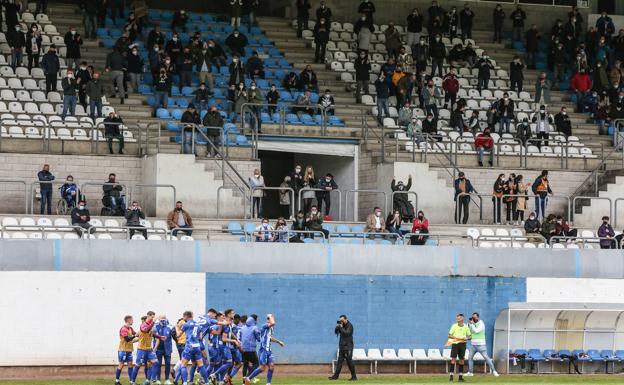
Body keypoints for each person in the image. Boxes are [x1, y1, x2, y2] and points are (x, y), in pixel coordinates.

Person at [243, 314, 285, 385]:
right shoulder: (264, 326)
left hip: (269, 350)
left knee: (271, 366)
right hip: (263, 350)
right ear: (268, 319)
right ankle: (248, 378)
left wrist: (278, 342)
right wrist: (270, 316)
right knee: (262, 368)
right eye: (271, 318)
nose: (273, 319)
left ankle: (268, 383)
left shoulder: (270, 328)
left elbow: (269, 338)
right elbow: (273, 323)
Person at [176, 312, 211, 385]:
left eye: (183, 317)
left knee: (183, 365)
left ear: (186, 316)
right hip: (197, 346)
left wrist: (176, 328)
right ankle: (207, 382)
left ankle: (185, 382)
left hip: (189, 347)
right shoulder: (198, 324)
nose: (183, 318)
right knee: (201, 365)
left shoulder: (186, 324)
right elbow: (200, 337)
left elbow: (178, 335)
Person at [465, 313, 499, 377]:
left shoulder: (481, 323)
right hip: (473, 345)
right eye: (472, 317)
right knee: (470, 358)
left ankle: (494, 371)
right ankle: (470, 372)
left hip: (481, 345)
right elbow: (468, 331)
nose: (473, 319)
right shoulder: (471, 324)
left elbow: (476, 331)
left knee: (486, 358)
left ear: (478, 317)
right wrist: (468, 325)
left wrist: (471, 324)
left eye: (475, 317)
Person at [329, 315, 357, 381]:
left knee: (349, 362)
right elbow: (336, 332)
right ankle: (335, 376)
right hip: (342, 347)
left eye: (342, 320)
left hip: (348, 347)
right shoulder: (341, 325)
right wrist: (337, 327)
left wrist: (341, 328)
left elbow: (347, 333)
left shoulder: (350, 326)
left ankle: (354, 377)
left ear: (345, 319)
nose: (341, 321)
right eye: (340, 320)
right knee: (339, 362)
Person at [134, 312, 159, 384]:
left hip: (149, 350)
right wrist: (131, 341)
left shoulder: (152, 327)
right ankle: (139, 381)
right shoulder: (142, 328)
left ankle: (149, 380)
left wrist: (155, 348)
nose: (142, 323)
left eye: (143, 321)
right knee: (142, 365)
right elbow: (138, 338)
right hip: (141, 350)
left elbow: (157, 338)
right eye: (141, 322)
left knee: (150, 364)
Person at [448, 313, 471, 382]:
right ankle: (451, 377)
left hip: (463, 344)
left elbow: (470, 336)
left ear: (462, 319)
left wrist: (466, 338)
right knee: (453, 359)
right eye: (457, 318)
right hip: (455, 344)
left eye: (458, 318)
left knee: (462, 360)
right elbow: (449, 335)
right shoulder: (454, 326)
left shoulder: (466, 327)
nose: (457, 319)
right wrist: (456, 338)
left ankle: (460, 377)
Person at [115, 315, 137, 385]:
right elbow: (127, 339)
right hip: (123, 350)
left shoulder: (130, 328)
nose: (133, 321)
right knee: (121, 364)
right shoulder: (123, 329)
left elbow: (136, 334)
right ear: (128, 320)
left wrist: (142, 335)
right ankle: (117, 381)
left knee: (130, 365)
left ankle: (131, 382)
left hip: (129, 350)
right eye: (132, 320)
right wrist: (135, 336)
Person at [152, 315, 174, 384]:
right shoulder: (155, 326)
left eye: (164, 318)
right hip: (158, 349)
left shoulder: (170, 326)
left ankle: (167, 379)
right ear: (159, 319)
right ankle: (158, 379)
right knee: (158, 364)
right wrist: (154, 348)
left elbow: (174, 336)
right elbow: (154, 335)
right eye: (161, 318)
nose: (163, 319)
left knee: (168, 364)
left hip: (168, 348)